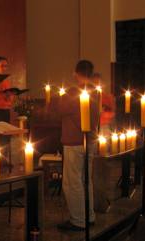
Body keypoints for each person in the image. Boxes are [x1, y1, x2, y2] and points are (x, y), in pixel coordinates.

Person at [51, 60, 99, 231]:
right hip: (90, 140)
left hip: (74, 142)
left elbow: (60, 109)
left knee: (72, 183)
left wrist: (59, 96)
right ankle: (89, 216)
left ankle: (78, 220)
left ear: (76, 73)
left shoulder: (75, 91)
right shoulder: (95, 91)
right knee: (86, 181)